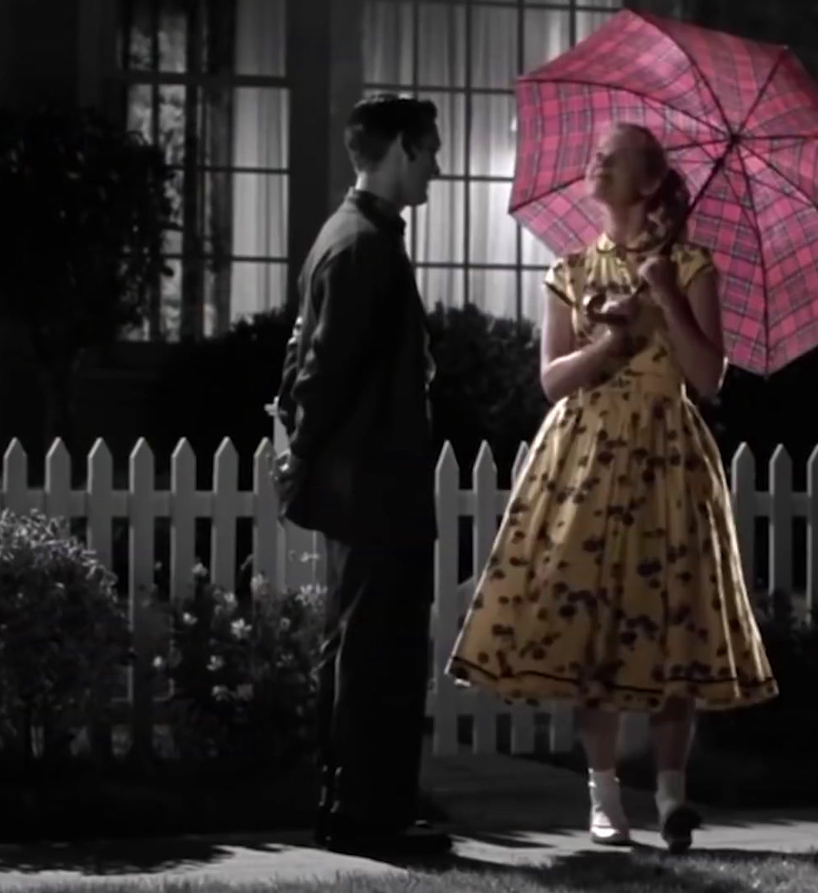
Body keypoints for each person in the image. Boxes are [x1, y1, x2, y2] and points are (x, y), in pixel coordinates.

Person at [446, 122, 778, 853]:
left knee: (673, 626)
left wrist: (665, 297)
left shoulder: (690, 266)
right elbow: (551, 379)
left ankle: (669, 795)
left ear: (650, 183)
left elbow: (708, 378)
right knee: (594, 624)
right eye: (595, 154)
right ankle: (603, 797)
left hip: (667, 453)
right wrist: (613, 341)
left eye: (611, 158)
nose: (595, 162)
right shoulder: (570, 269)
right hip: (587, 456)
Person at [273, 93, 451, 857]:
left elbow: (301, 356)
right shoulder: (363, 247)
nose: (439, 167)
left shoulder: (349, 237)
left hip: (369, 481)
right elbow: (319, 370)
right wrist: (300, 456)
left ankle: (357, 804)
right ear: (402, 149)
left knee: (362, 645)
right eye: (432, 150)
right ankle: (368, 813)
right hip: (375, 483)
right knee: (379, 650)